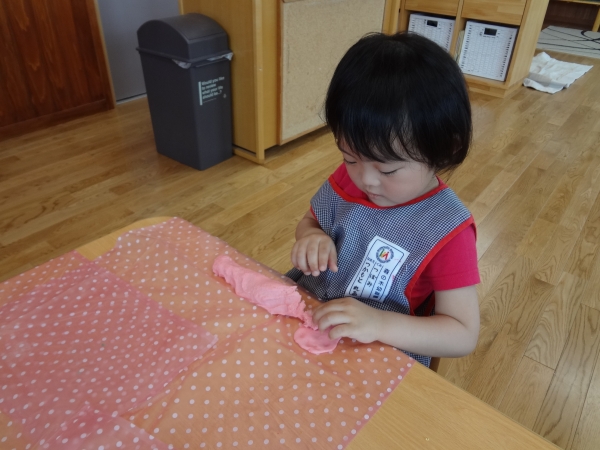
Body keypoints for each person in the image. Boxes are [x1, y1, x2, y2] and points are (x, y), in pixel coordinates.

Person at [286, 32, 480, 367]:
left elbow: (463, 334)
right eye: (350, 158)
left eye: (387, 169)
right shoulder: (351, 177)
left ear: (445, 148)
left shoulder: (448, 231)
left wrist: (378, 323)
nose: (366, 179)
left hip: (377, 353)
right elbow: (310, 221)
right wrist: (311, 236)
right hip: (310, 316)